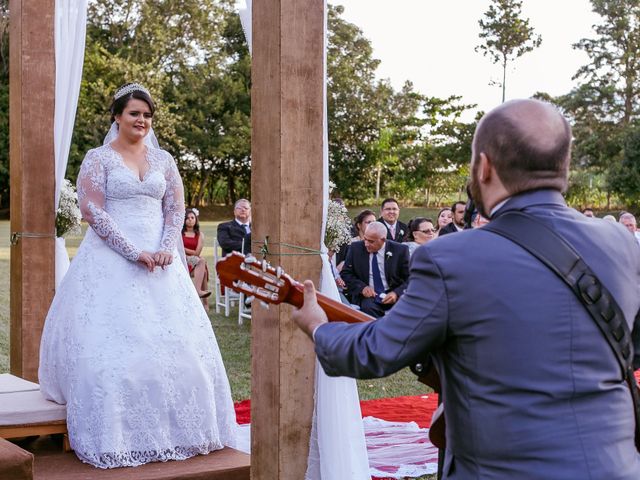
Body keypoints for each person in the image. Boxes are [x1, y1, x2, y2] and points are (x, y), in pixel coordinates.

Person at [293, 99, 640, 479]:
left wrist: (318, 326)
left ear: (484, 167)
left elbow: (376, 351)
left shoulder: (449, 256)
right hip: (615, 466)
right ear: (564, 166)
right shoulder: (621, 242)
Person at [38, 83, 237, 468]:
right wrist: (134, 251)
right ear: (117, 116)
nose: (141, 121)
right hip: (112, 257)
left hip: (162, 262)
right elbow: (92, 211)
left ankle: (182, 427)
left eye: (146, 115)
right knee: (108, 355)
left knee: (183, 355)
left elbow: (175, 208)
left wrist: (165, 247)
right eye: (134, 113)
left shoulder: (164, 161)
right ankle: (114, 431)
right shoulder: (98, 158)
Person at [340, 221, 410, 318]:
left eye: (371, 241)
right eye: (365, 239)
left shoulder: (400, 250)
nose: (366, 244)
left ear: (383, 240)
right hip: (368, 296)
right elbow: (346, 273)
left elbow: (410, 278)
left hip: (392, 292)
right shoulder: (356, 248)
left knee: (405, 309)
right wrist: (362, 288)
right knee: (368, 309)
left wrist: (396, 293)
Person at [182, 207, 211, 308]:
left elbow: (197, 252)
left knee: (202, 267)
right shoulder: (180, 234)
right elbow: (177, 250)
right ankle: (199, 294)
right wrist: (185, 251)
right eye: (187, 218)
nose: (190, 220)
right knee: (203, 269)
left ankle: (205, 303)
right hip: (182, 260)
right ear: (183, 219)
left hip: (194, 260)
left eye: (192, 217)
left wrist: (182, 248)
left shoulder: (200, 235)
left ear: (196, 219)